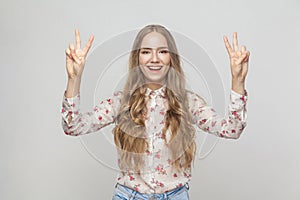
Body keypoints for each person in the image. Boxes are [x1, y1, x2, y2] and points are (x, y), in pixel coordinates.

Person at [61, 24, 249, 200]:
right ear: (137, 58)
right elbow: (72, 127)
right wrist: (74, 78)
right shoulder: (121, 102)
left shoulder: (188, 102)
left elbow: (232, 130)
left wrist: (237, 81)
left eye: (163, 51)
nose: (154, 59)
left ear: (171, 58)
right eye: (146, 52)